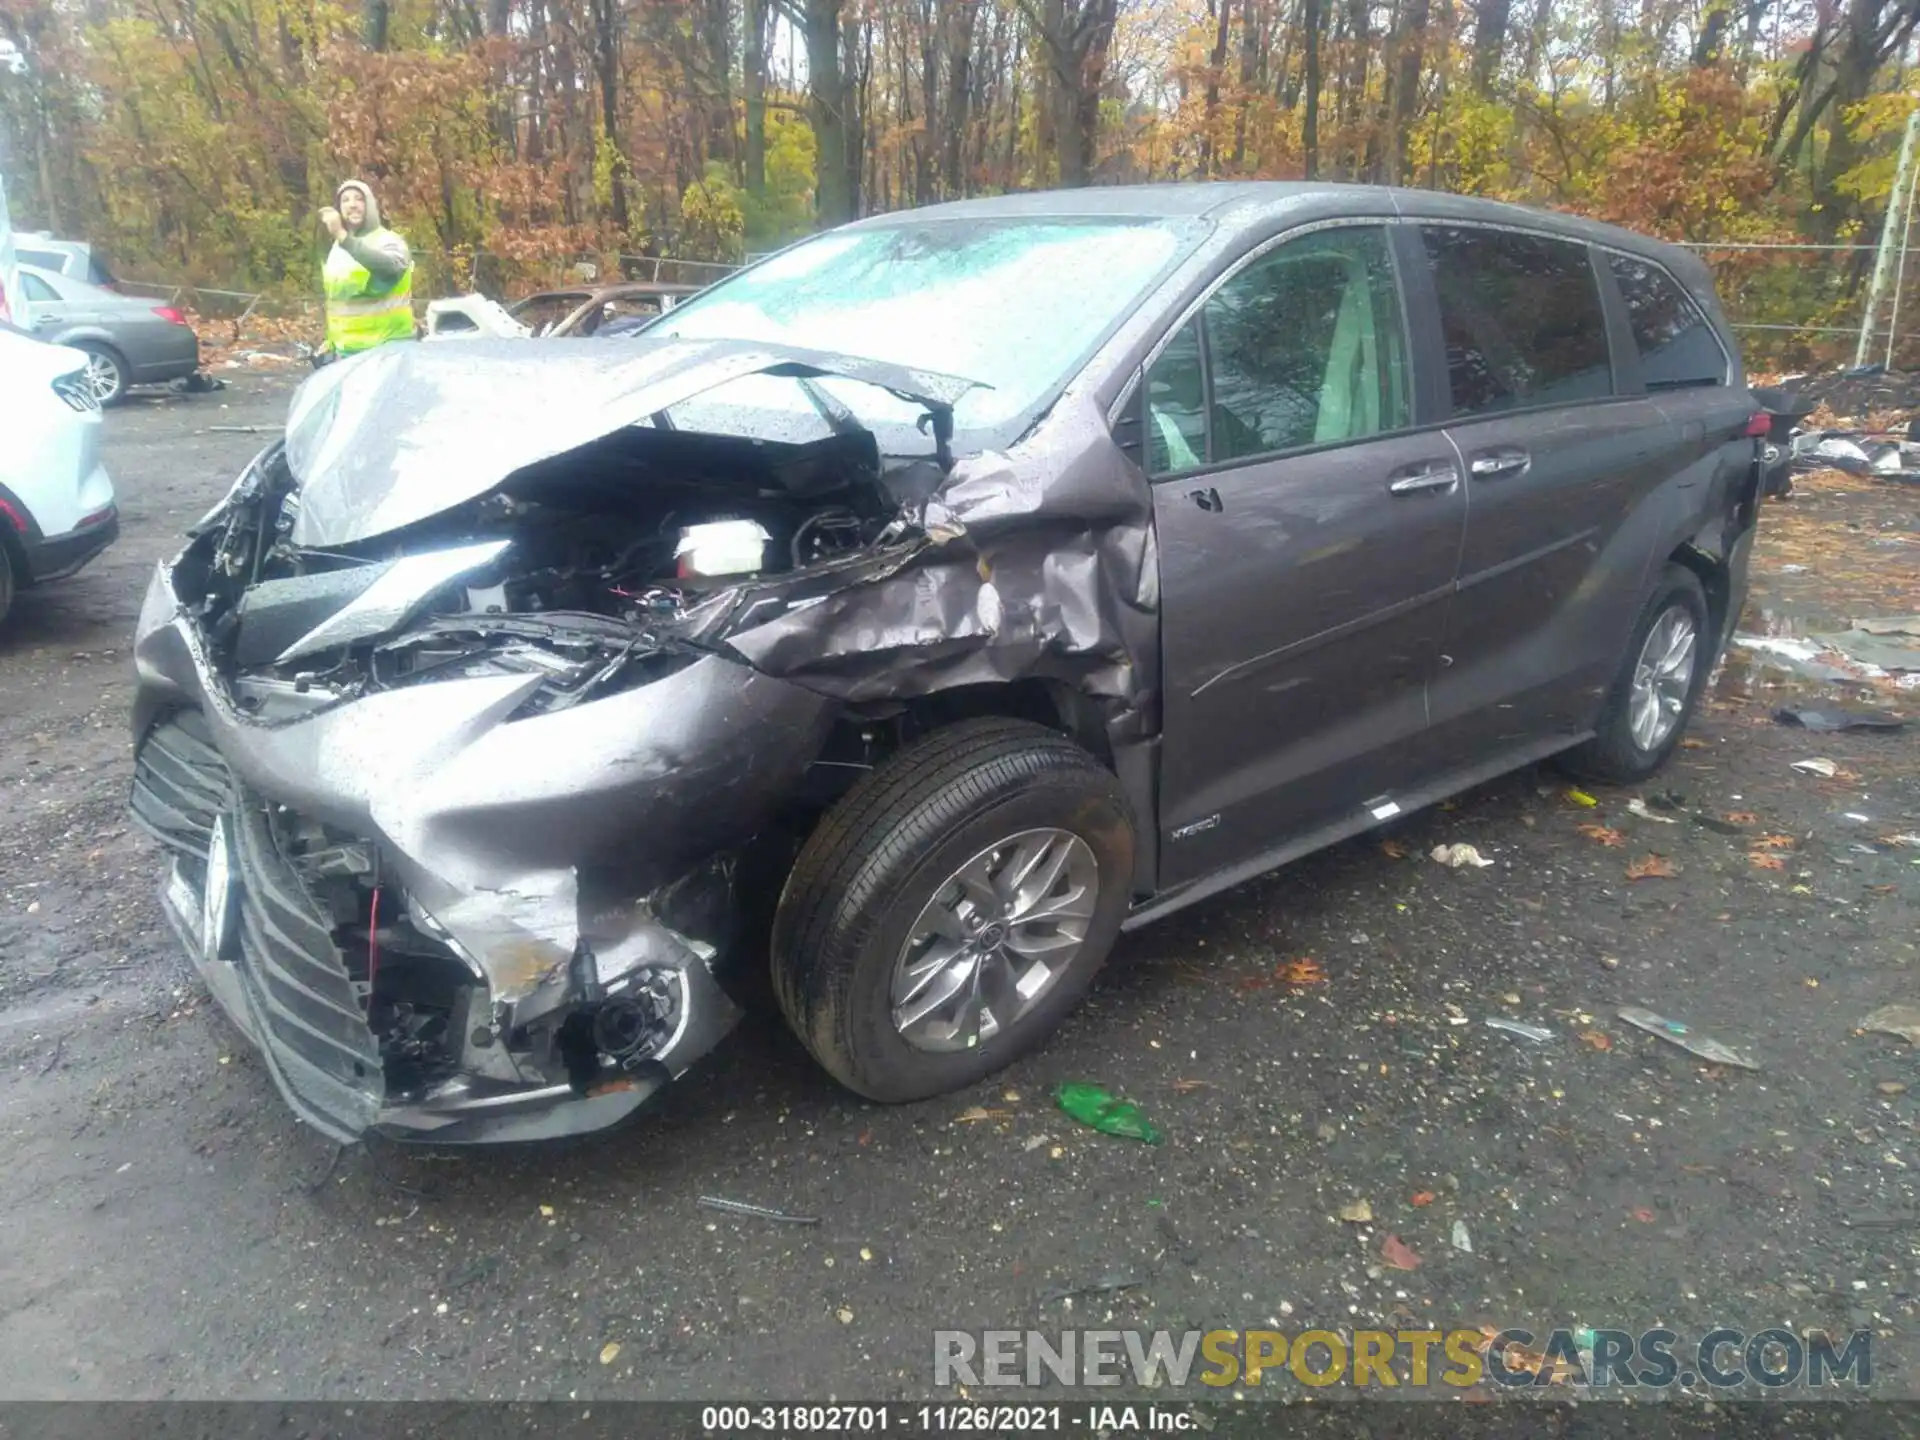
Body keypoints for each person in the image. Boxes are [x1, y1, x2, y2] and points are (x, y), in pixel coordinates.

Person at [318, 179, 414, 360]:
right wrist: (331, 342)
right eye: (345, 200)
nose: (352, 205)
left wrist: (343, 236)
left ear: (370, 205)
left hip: (387, 352)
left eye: (359, 199)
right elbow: (340, 300)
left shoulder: (389, 240)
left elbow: (390, 268)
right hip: (347, 354)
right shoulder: (338, 248)